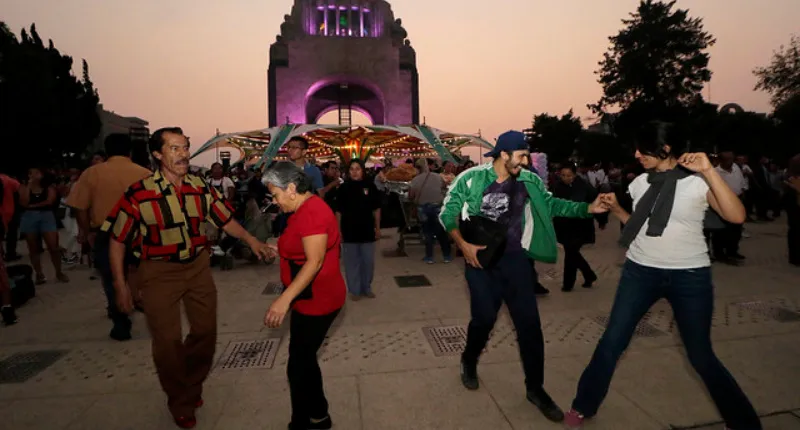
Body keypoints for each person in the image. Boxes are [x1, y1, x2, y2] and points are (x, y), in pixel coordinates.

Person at [564, 122, 761, 430]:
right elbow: (641, 226)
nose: (636, 154)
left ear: (665, 148)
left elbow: (736, 216)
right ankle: (583, 404)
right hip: (640, 271)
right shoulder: (640, 183)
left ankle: (744, 423)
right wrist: (616, 210)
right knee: (612, 341)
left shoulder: (697, 182)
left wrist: (709, 171)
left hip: (689, 276)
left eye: (643, 149)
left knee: (701, 356)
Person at [103, 127, 271, 429]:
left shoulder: (199, 186)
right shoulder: (140, 193)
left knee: (205, 333)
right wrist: (120, 285)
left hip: (197, 268)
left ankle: (192, 383)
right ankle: (179, 399)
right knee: (167, 342)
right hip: (157, 273)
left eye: (185, 147)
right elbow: (117, 239)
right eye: (174, 148)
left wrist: (252, 241)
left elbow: (225, 220)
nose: (183, 154)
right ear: (157, 154)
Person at [439, 130, 610, 423]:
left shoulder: (529, 180)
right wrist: (462, 244)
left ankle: (535, 389)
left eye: (527, 156)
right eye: (521, 156)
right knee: (483, 320)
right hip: (481, 263)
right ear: (504, 155)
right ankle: (469, 359)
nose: (526, 161)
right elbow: (447, 213)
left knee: (530, 327)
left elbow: (552, 204)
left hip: (517, 263)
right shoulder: (471, 179)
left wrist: (586, 208)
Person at [262, 162, 346, 430]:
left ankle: (306, 420)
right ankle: (318, 415)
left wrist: (283, 300)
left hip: (317, 300)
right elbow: (305, 244)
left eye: (275, 195)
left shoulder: (312, 212)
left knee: (298, 365)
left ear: (291, 188)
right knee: (304, 360)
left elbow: (315, 261)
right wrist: (281, 248)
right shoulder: (303, 209)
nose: (275, 201)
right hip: (309, 298)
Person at [67, 133, 152, 341]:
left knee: (112, 276)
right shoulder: (145, 174)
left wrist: (87, 231)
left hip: (107, 232)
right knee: (141, 273)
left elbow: (79, 207)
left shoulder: (92, 173)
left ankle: (121, 322)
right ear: (129, 151)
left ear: (106, 151)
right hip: (138, 230)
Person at [334, 159, 382, 300]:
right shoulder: (343, 188)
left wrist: (377, 228)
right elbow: (338, 212)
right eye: (352, 169)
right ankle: (354, 290)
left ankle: (366, 287)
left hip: (367, 231)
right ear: (348, 172)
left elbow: (376, 209)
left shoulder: (370, 186)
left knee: (368, 262)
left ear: (363, 171)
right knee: (352, 263)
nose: (355, 172)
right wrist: (338, 230)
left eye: (358, 169)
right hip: (349, 231)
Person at [552, 163, 598, 291]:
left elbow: (595, 202)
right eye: (563, 175)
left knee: (571, 253)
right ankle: (589, 275)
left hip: (580, 225)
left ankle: (568, 284)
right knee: (572, 252)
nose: (566, 178)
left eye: (569, 175)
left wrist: (601, 219)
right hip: (563, 225)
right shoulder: (557, 187)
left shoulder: (584, 186)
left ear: (575, 174)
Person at [19, 167, 68, 284]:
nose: (33, 175)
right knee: (33, 247)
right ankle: (39, 274)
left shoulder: (48, 187)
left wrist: (33, 206)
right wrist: (29, 186)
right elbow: (24, 202)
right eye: (30, 173)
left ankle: (59, 272)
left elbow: (49, 201)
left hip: (46, 216)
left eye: (36, 172)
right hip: (29, 217)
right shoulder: (24, 187)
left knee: (53, 246)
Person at [410, 158, 452, 264]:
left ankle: (429, 257)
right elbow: (444, 188)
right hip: (437, 207)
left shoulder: (415, 180)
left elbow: (411, 196)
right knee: (441, 232)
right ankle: (447, 256)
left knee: (427, 232)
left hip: (422, 209)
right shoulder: (438, 177)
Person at [784, 154, 800, 267]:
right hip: (795, 207)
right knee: (796, 231)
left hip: (793, 205)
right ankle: (795, 257)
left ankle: (794, 256)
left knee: (794, 231)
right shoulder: (793, 180)